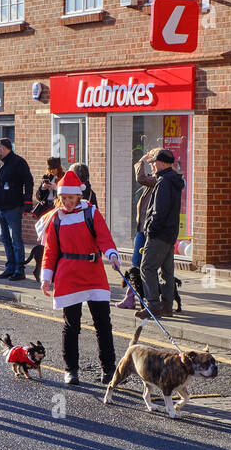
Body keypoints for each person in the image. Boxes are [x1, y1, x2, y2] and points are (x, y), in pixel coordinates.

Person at [41, 171, 121, 385]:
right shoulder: (56, 218)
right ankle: (71, 370)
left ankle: (109, 369)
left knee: (103, 323)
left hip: (93, 272)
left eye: (71, 198)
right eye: (63, 198)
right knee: (71, 325)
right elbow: (50, 250)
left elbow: (104, 237)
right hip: (69, 275)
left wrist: (112, 254)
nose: (67, 202)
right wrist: (46, 276)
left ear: (78, 196)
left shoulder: (91, 213)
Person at [137, 148, 183, 319]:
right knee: (166, 272)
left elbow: (159, 211)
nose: (153, 166)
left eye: (154, 163)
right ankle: (167, 306)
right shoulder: (173, 180)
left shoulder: (163, 182)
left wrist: (151, 230)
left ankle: (153, 306)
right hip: (170, 234)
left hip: (159, 234)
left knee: (146, 267)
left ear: (163, 163)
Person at [0, 137, 33, 281]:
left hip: (13, 207)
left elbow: (29, 181)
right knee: (5, 239)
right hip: (1, 207)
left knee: (16, 240)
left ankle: (19, 269)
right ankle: (10, 267)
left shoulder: (18, 162)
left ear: (6, 147)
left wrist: (27, 201)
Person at [131, 149, 162, 269]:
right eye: (150, 163)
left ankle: (136, 285)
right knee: (138, 261)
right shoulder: (154, 178)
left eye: (153, 162)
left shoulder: (158, 180)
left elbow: (140, 178)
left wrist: (141, 161)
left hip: (147, 227)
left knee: (139, 262)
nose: (151, 166)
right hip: (143, 225)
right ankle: (135, 285)